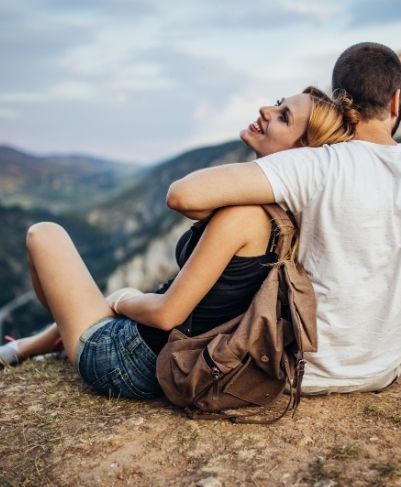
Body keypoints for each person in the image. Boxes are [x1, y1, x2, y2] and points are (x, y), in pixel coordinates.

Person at [165, 43, 401, 424]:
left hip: (299, 373)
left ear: (340, 103)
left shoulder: (312, 165)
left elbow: (183, 195)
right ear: (395, 102)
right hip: (381, 373)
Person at [0, 87, 360, 400]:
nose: (266, 111)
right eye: (278, 103)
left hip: (128, 364)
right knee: (116, 298)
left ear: (301, 151)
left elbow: (167, 313)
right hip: (164, 353)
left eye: (283, 117)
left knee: (44, 234)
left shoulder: (245, 215)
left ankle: (44, 345)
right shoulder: (282, 216)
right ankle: (22, 349)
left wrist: (124, 300)